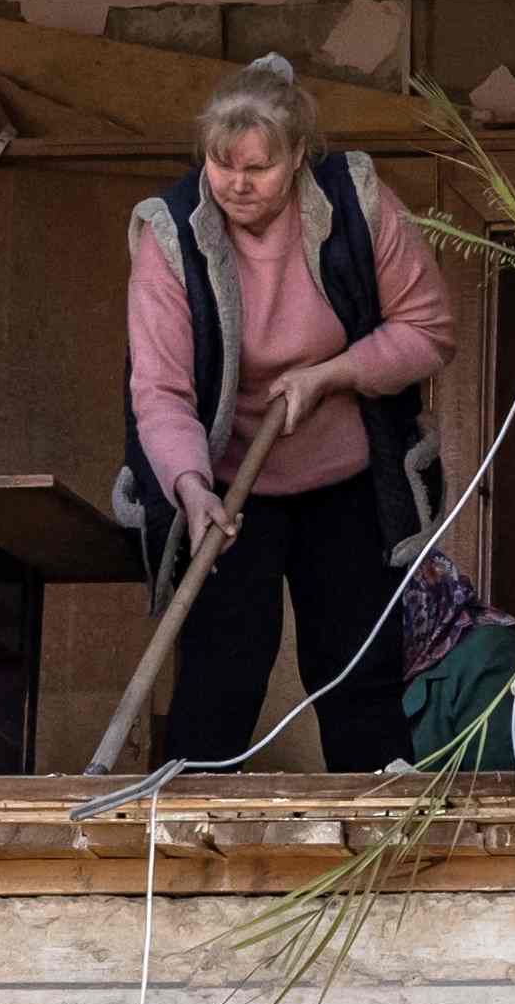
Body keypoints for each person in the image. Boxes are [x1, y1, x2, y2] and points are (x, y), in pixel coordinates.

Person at [123, 61, 450, 769]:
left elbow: (427, 330)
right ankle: (180, 837)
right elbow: (160, 390)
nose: (237, 183)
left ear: (299, 156)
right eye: (221, 163)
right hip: (225, 484)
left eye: (258, 167)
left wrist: (331, 374)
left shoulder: (354, 204)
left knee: (355, 663)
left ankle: (378, 833)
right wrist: (189, 486)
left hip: (348, 475)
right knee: (221, 668)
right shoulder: (169, 236)